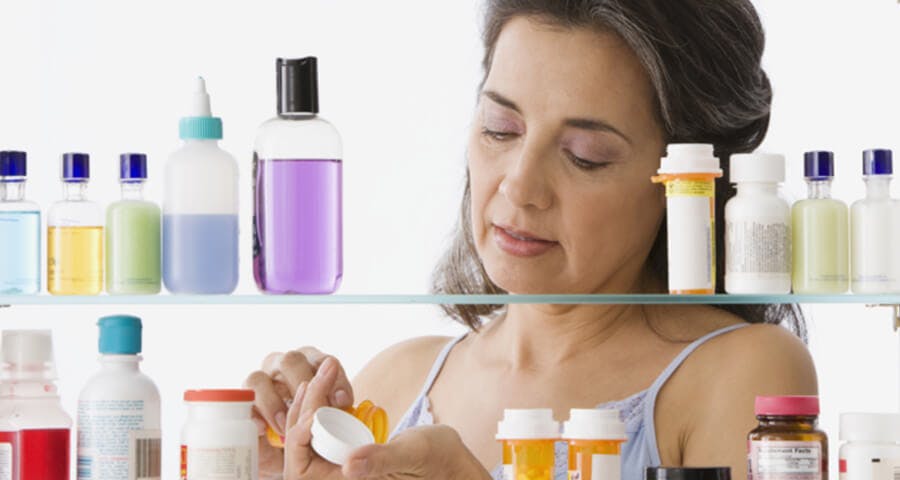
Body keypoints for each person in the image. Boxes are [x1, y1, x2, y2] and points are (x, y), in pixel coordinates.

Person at [245, 1, 816, 479]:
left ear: (685, 181)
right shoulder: (396, 381)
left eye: (583, 157)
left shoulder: (741, 371)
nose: (519, 187)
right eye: (500, 128)